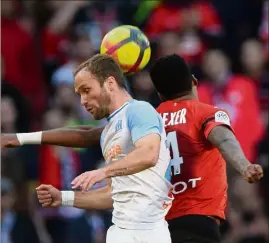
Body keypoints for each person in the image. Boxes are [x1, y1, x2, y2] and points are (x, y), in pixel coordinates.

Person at [1, 54, 263, 243]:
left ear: (160, 94)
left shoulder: (150, 117)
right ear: (194, 82)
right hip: (197, 224)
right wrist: (244, 165)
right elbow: (223, 139)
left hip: (159, 221)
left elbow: (87, 135)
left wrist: (24, 137)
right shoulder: (206, 112)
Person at [6, 54, 173, 243]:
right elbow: (114, 195)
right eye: (79, 94)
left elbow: (149, 154)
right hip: (121, 231)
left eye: (87, 90)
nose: (83, 101)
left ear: (110, 83)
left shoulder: (139, 110)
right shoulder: (110, 131)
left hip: (150, 231)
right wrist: (63, 198)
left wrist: (102, 172)